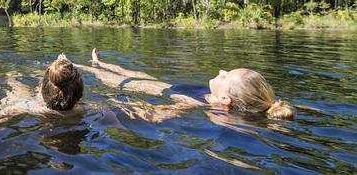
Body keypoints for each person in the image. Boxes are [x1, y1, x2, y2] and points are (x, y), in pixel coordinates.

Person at [87, 48, 295, 121]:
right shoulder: (260, 103)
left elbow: (158, 114)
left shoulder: (198, 105)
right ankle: (99, 62)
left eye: (225, 76)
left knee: (113, 78)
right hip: (167, 83)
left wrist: (114, 105)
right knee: (132, 72)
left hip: (155, 90)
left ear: (225, 99)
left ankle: (89, 66)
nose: (222, 71)